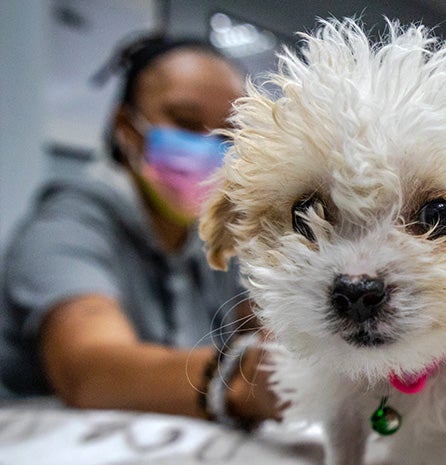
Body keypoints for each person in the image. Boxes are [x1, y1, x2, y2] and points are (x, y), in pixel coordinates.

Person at [0, 34, 282, 428]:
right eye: (184, 123)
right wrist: (244, 380)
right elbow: (89, 370)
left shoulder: (210, 236)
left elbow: (263, 323)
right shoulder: (67, 223)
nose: (210, 149)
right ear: (126, 128)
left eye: (228, 136)